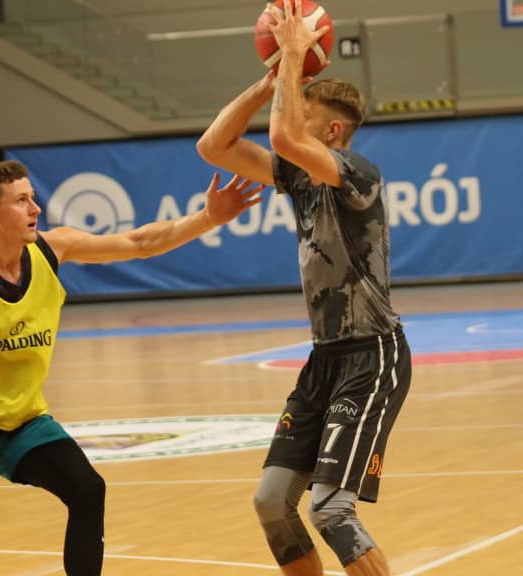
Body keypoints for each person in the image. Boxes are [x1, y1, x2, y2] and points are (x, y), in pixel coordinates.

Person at [0, 160, 263, 576]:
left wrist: (207, 218)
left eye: (33, 197)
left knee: (88, 490)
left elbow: (139, 243)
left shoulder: (53, 248)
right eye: (21, 200)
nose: (35, 208)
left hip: (23, 417)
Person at [196, 1, 411, 574]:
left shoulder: (357, 173)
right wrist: (270, 80)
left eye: (302, 109)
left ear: (332, 131)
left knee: (331, 509)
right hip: (324, 361)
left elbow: (286, 137)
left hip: (372, 357)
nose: (289, 109)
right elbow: (213, 146)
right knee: (271, 502)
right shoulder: (299, 177)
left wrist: (292, 57)